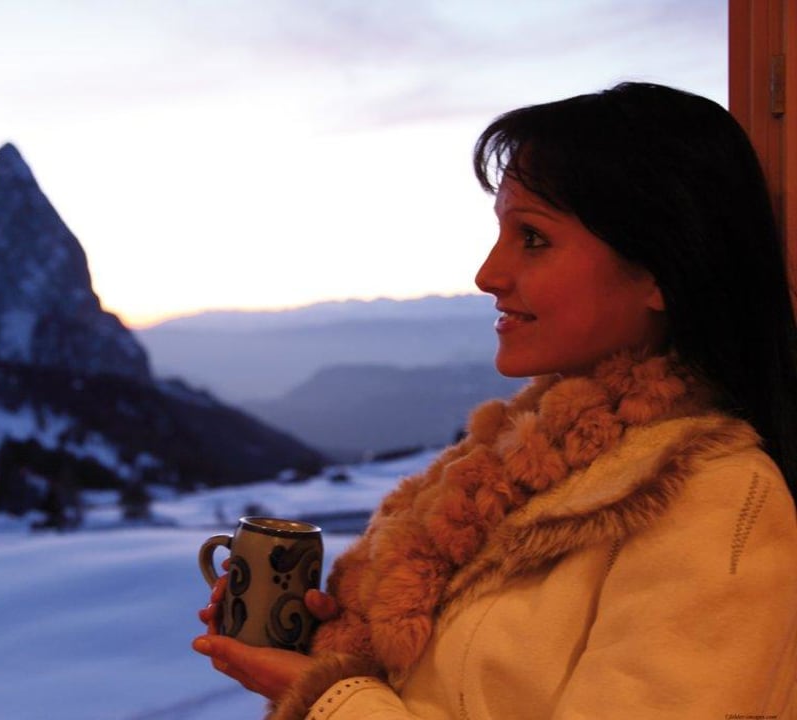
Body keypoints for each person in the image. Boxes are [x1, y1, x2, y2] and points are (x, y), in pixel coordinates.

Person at [191, 81, 797, 719]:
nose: (488, 273)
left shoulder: (721, 506)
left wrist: (334, 702)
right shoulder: (530, 472)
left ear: (658, 272)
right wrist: (326, 650)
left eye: (532, 237)